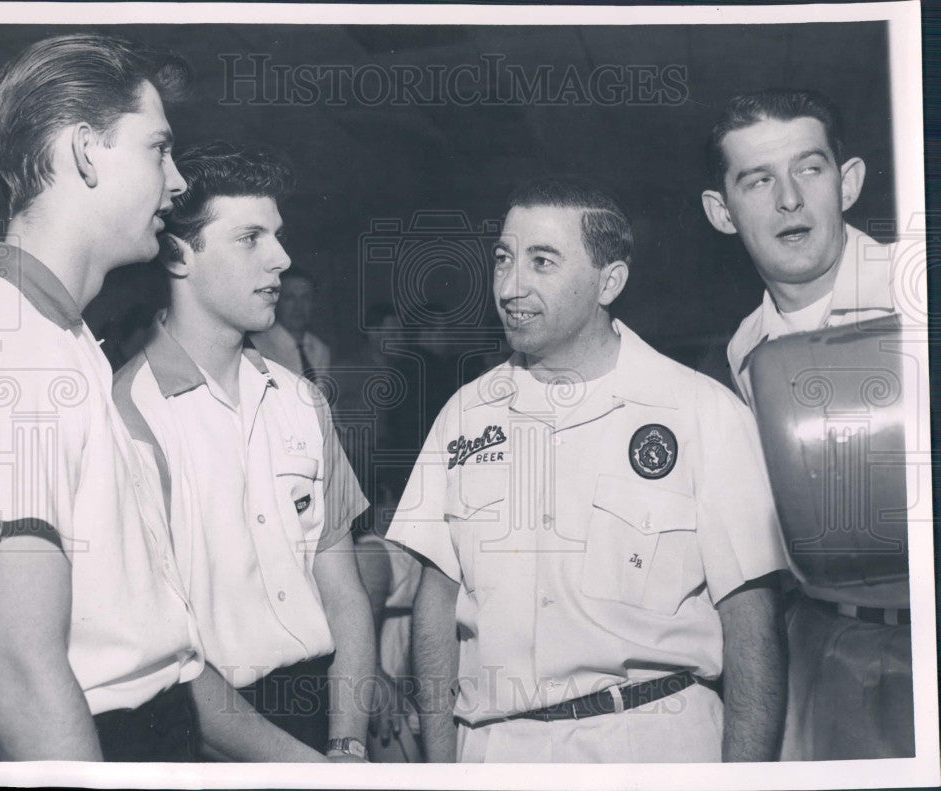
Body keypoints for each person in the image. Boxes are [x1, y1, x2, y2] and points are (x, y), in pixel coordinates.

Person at [386, 177, 789, 763]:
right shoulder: (465, 415)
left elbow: (752, 622)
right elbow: (435, 604)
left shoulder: (702, 413)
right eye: (504, 258)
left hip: (651, 741)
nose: (510, 285)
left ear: (610, 281)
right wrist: (443, 765)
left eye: (541, 262)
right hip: (493, 749)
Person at [0, 33, 208, 762]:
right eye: (159, 149)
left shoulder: (64, 344)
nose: (179, 180)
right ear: (86, 151)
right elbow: (22, 674)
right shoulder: (10, 354)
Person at [113, 141, 375, 761]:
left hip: (326, 715)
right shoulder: (127, 416)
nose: (281, 259)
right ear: (179, 255)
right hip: (211, 733)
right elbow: (164, 652)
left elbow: (343, 592)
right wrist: (305, 769)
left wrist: (347, 745)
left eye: (277, 236)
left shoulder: (301, 400)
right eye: (250, 238)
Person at [700, 88, 913, 759]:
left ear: (847, 182)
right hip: (825, 644)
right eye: (758, 180)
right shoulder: (742, 353)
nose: (788, 199)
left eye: (809, 169)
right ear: (722, 211)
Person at [249, 266, 331, 379]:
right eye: (289, 298)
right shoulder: (256, 347)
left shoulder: (320, 350)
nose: (298, 307)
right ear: (277, 302)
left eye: (305, 298)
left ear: (314, 303)